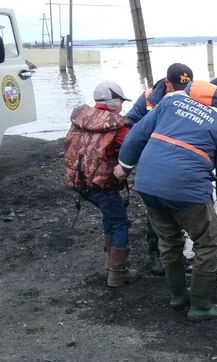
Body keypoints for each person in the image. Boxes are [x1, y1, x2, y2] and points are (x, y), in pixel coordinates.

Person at [114, 74, 217, 322]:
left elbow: (138, 134)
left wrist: (124, 165)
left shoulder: (172, 101)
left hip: (148, 184)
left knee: (169, 240)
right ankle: (200, 306)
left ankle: (178, 296)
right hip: (187, 190)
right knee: (207, 242)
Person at [64, 81, 138, 288]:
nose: (122, 106)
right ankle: (118, 272)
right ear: (114, 101)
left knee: (110, 215)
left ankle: (110, 262)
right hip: (102, 185)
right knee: (120, 222)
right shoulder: (118, 126)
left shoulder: (81, 119)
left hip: (79, 184)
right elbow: (132, 149)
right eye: (121, 101)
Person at [124, 63, 194, 276]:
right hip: (151, 160)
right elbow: (129, 124)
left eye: (186, 87)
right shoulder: (148, 99)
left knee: (179, 210)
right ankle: (156, 255)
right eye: (177, 87)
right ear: (166, 83)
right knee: (154, 212)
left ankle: (177, 255)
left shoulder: (190, 98)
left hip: (177, 161)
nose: (182, 91)